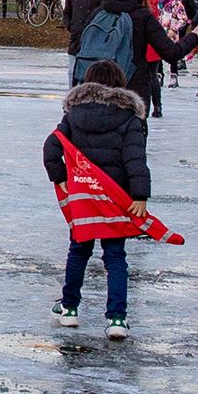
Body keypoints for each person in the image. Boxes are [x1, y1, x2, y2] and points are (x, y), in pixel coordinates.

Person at [43, 60, 148, 340]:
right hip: (115, 199)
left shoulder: (74, 115)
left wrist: (60, 176)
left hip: (84, 198)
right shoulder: (129, 118)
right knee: (115, 257)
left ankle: (69, 308)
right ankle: (117, 317)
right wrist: (140, 195)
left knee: (79, 252)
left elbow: (51, 145)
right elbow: (135, 158)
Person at [79, 0, 197, 104]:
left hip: (96, 93)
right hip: (132, 94)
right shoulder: (142, 16)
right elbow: (172, 53)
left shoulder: (98, 14)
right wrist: (196, 35)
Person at [62, 0, 104, 79]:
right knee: (72, 72)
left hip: (92, 41)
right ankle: (72, 94)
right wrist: (70, 26)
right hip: (75, 38)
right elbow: (67, 13)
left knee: (89, 73)